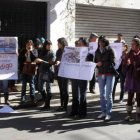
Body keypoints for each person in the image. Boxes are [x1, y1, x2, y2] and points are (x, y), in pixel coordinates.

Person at [95, 37, 115, 121]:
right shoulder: (97, 51)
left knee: (108, 94)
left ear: (106, 42)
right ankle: (103, 112)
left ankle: (108, 113)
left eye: (102, 42)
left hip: (109, 73)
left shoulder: (110, 50)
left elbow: (113, 62)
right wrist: (97, 64)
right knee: (102, 94)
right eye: (99, 42)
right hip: (100, 74)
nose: (100, 43)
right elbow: (95, 61)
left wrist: (102, 63)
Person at [70, 37, 88, 118]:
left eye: (80, 43)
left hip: (83, 75)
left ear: (84, 44)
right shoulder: (75, 52)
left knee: (82, 94)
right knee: (74, 93)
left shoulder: (88, 52)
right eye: (77, 43)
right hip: (75, 74)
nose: (78, 44)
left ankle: (82, 112)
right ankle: (74, 111)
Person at [123, 38, 140, 122]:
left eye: (133, 44)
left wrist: (136, 65)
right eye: (131, 44)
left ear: (138, 45)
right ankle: (128, 115)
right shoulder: (129, 54)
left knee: (139, 98)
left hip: (138, 79)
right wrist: (128, 64)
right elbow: (124, 68)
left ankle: (138, 115)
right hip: (130, 79)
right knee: (130, 97)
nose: (132, 45)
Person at [36, 40, 55, 110]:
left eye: (50, 45)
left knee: (48, 88)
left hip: (49, 72)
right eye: (48, 45)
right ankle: (45, 97)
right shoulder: (42, 52)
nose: (49, 46)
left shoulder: (52, 53)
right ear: (45, 45)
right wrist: (37, 61)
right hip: (41, 71)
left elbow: (51, 63)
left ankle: (47, 104)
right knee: (40, 87)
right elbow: (39, 61)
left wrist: (42, 61)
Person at [54, 38, 69, 111]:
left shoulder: (67, 50)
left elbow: (69, 61)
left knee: (65, 90)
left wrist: (60, 62)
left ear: (62, 43)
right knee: (61, 90)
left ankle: (65, 106)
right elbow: (57, 60)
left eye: (58, 43)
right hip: (59, 72)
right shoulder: (58, 51)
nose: (57, 44)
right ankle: (61, 105)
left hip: (65, 72)